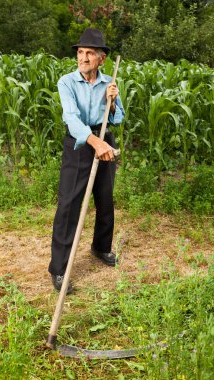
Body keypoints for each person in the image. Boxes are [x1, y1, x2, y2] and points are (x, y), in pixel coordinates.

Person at [48, 28, 125, 293]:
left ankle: (101, 247)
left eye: (90, 53)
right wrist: (95, 143)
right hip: (79, 143)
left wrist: (112, 103)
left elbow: (118, 118)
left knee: (105, 197)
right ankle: (59, 269)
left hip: (104, 136)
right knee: (69, 204)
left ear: (102, 59)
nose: (83, 57)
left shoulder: (109, 83)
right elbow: (70, 117)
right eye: (81, 52)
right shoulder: (66, 82)